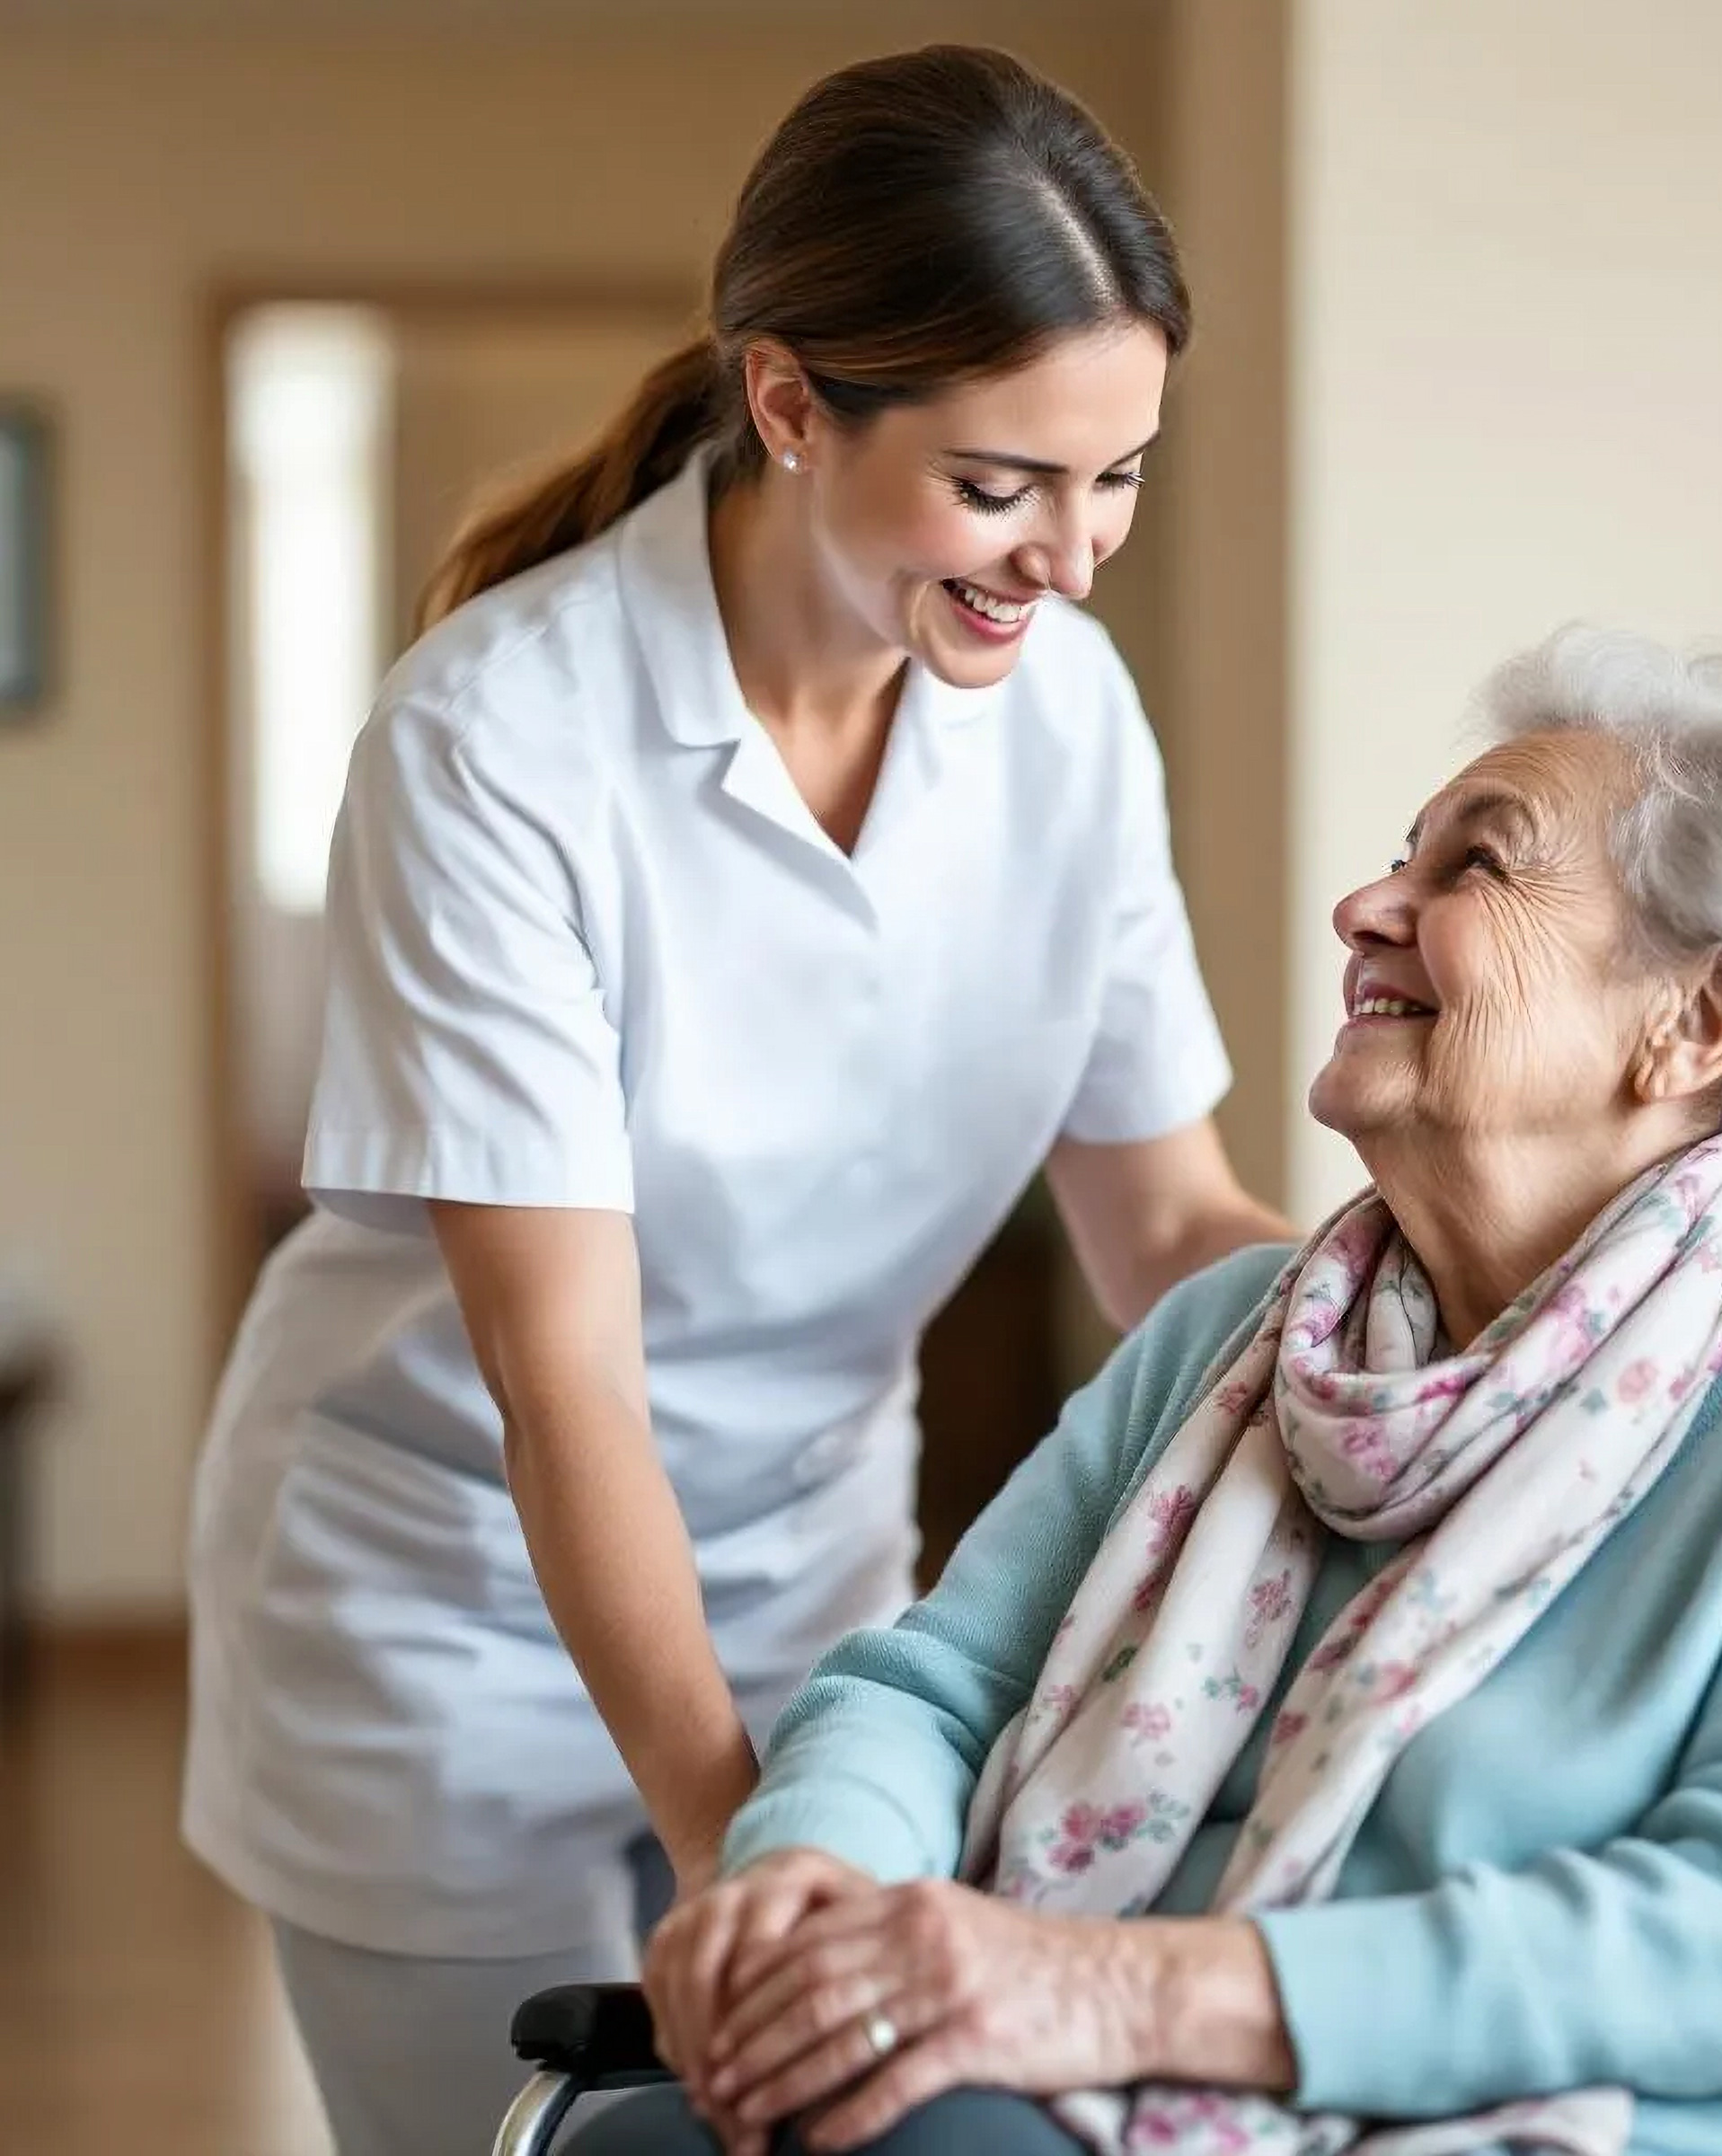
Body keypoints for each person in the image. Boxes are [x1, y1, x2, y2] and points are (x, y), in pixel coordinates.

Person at [181, 45, 1296, 2156]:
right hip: (457, 1620)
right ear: (787, 403)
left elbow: (1169, 1231)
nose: (1077, 557)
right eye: (1003, 484)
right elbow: (567, 1392)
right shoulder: (499, 743)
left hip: (819, 1588)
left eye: (1120, 473)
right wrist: (745, 1849)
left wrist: (1553, 1290)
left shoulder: (1065, 717)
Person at [588, 628, 1722, 2156]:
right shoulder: (1241, 1331)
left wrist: (1111, 1992)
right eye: (1394, 860)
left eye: (1476, 869)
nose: (1364, 911)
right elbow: (934, 1693)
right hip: (1059, 2072)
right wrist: (809, 1899)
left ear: (1695, 1019)